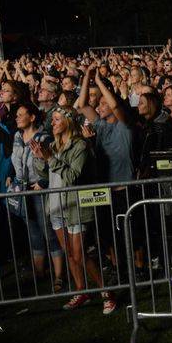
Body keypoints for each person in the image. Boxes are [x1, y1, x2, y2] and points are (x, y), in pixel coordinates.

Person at [30, 108, 116, 314]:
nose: (53, 123)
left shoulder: (80, 145)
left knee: (79, 254)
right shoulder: (52, 144)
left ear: (68, 122)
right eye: (53, 120)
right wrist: (39, 158)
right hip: (56, 205)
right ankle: (81, 290)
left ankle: (107, 292)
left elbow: (72, 177)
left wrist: (49, 158)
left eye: (57, 119)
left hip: (75, 206)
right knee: (70, 253)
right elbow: (43, 174)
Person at [7, 102, 65, 291]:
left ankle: (59, 275)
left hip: (39, 191)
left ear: (32, 117)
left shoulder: (44, 138)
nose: (17, 118)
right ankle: (39, 272)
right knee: (33, 232)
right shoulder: (16, 136)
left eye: (21, 114)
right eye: (16, 115)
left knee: (49, 232)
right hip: (22, 191)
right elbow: (14, 159)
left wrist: (44, 183)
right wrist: (10, 175)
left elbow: (52, 163)